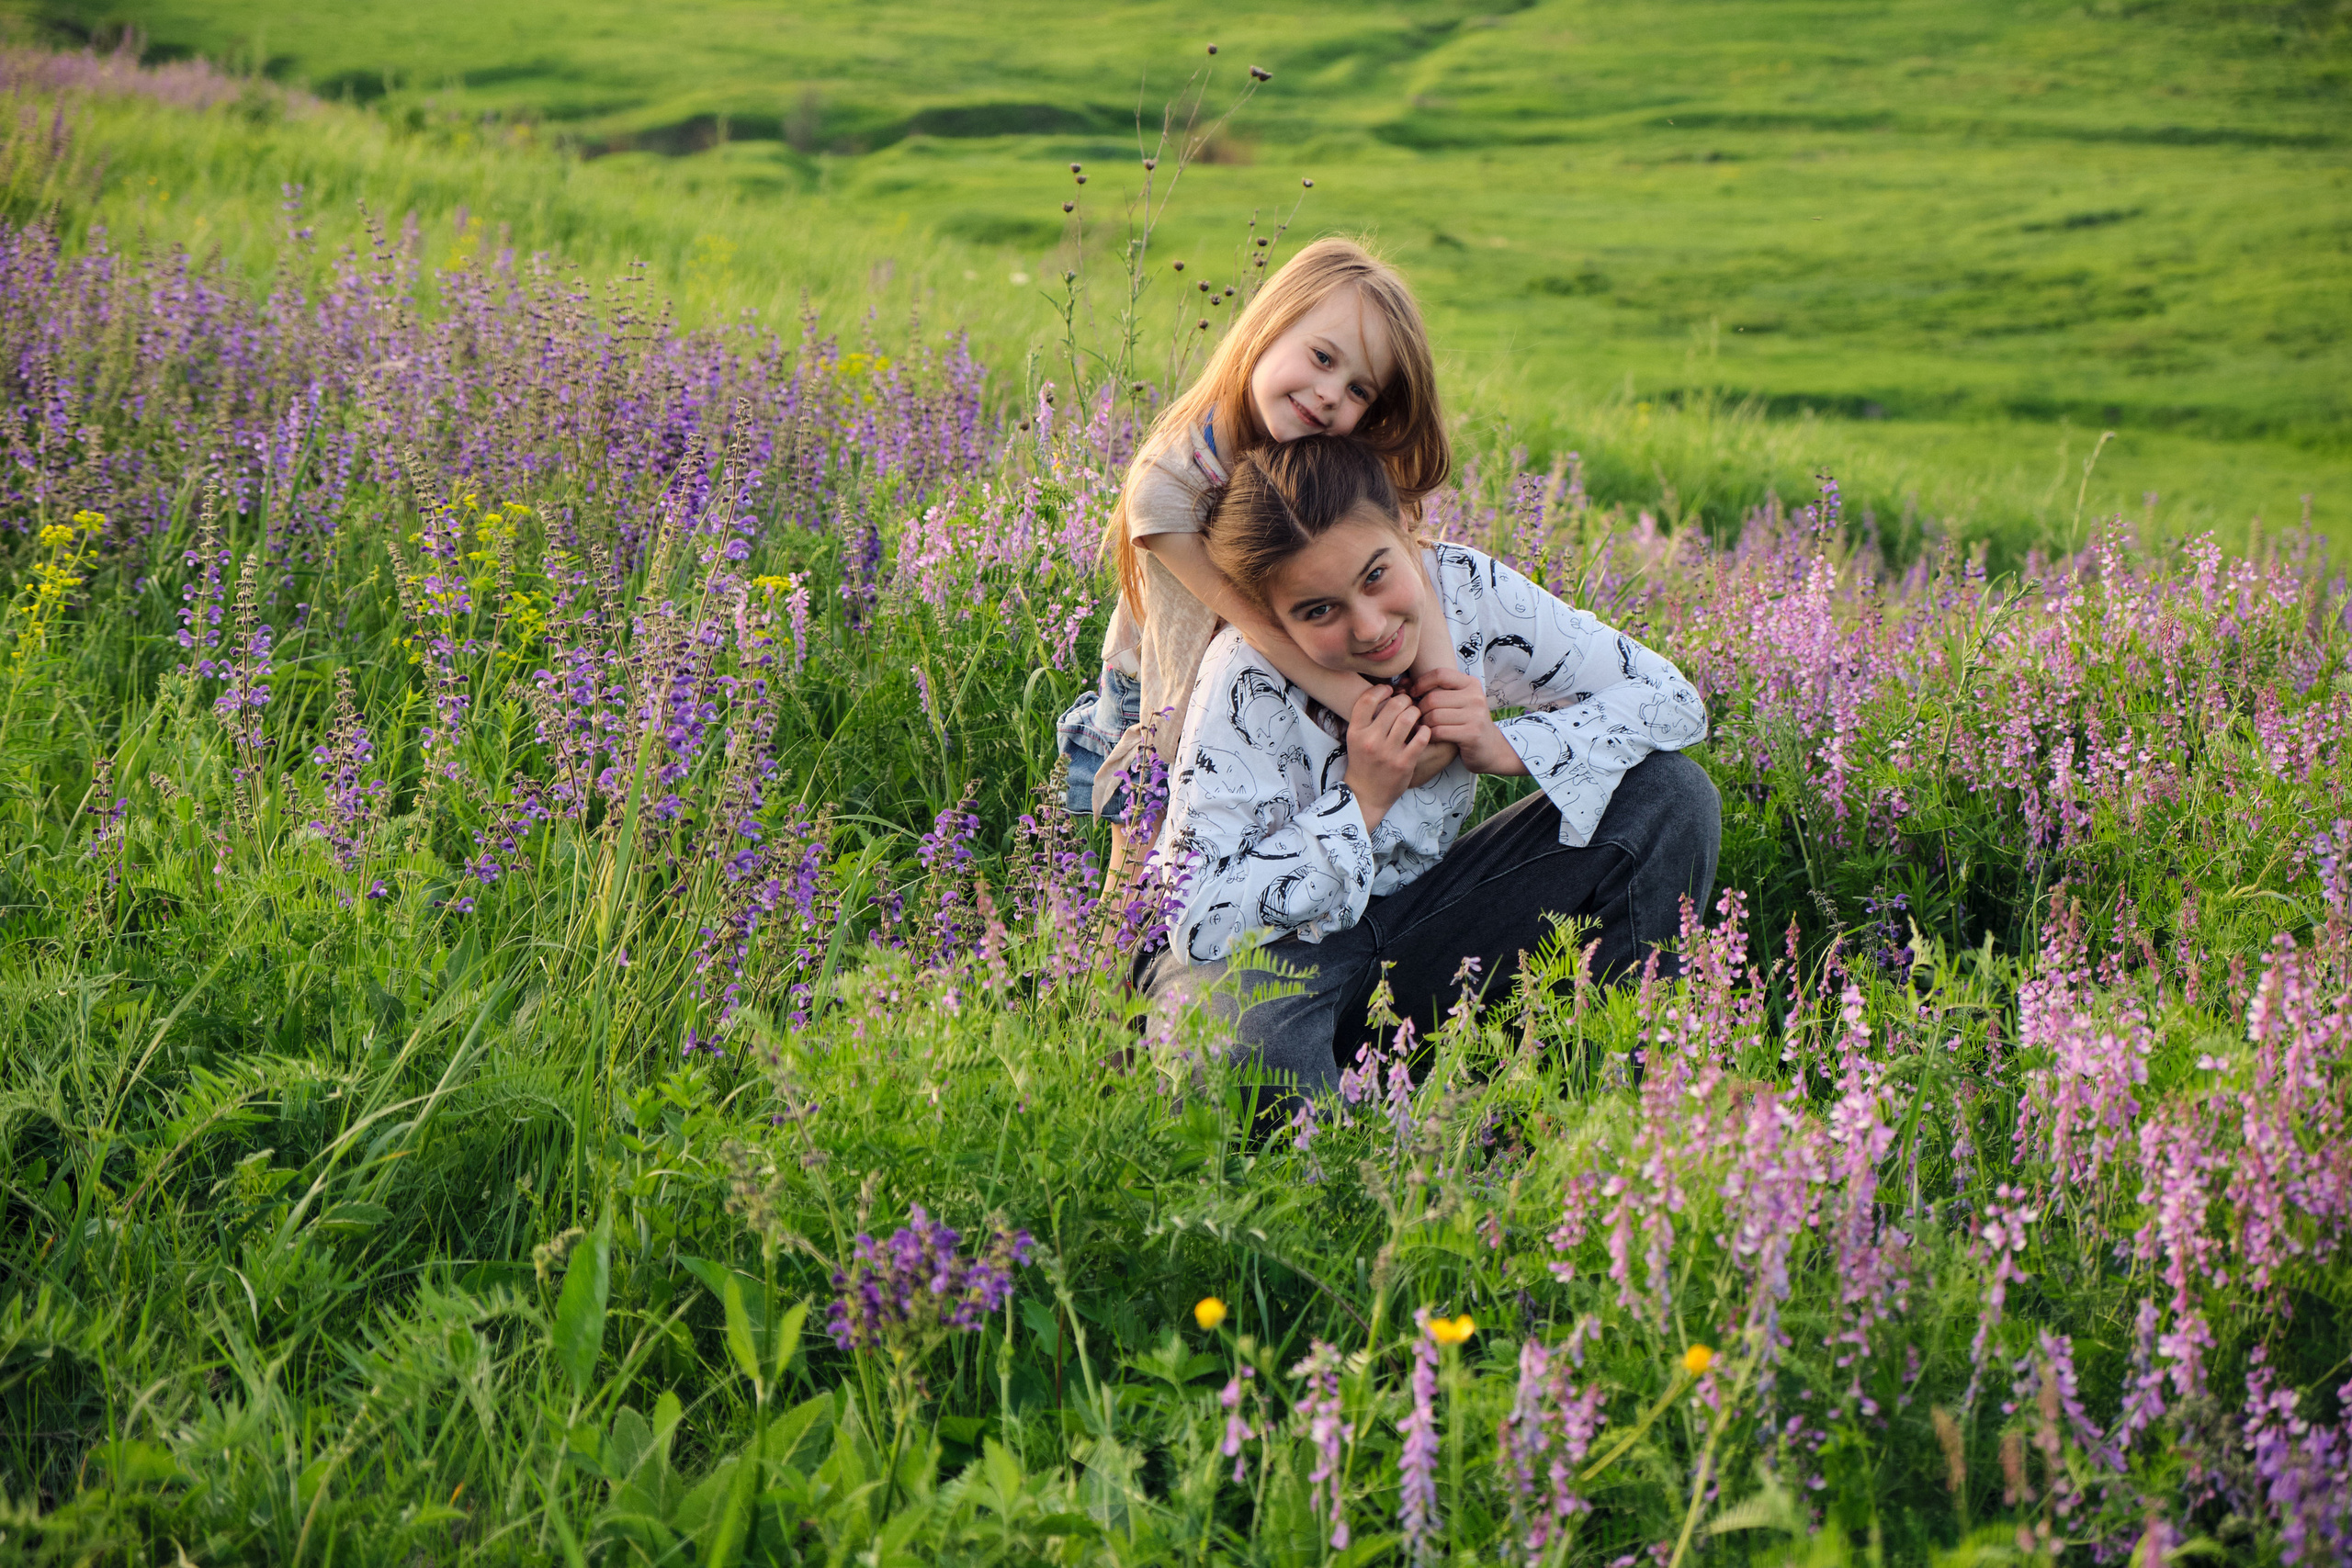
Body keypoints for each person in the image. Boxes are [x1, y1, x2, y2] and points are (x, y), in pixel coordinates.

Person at [1138, 435, 1720, 1098]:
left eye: (1376, 574)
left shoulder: (1464, 589)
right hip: (1272, 962)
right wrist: (1359, 803)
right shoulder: (1244, 676)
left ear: (1406, 530)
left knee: (1670, 796)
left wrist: (1507, 746)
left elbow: (1673, 701)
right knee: (1236, 1044)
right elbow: (1198, 923)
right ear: (1272, 617)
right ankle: (1362, 1163)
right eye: (1318, 610)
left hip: (1424, 927)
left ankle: (1605, 1103)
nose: (1369, 626)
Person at [1057, 238, 1455, 845]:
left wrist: (1442, 708)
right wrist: (1374, 717)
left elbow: (1412, 567)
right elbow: (1257, 629)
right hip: (1166, 692)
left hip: (1293, 670)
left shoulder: (1338, 465)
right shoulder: (1169, 484)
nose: (1330, 394)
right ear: (1270, 326)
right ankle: (1087, 943)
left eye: (1359, 391)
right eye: (1323, 358)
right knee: (1139, 888)